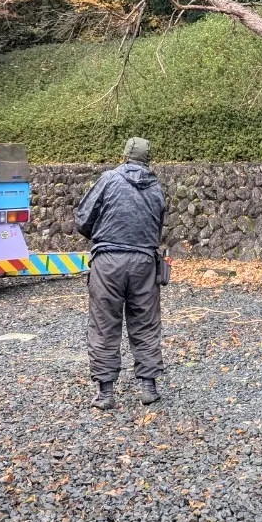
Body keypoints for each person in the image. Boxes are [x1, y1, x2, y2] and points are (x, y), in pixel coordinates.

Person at [75, 137, 167, 410]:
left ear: (125, 154)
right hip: (144, 262)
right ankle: (148, 387)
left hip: (108, 261)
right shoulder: (157, 188)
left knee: (104, 323)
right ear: (148, 159)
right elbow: (158, 227)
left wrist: (102, 237)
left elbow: (83, 219)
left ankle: (106, 393)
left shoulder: (108, 180)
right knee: (146, 323)